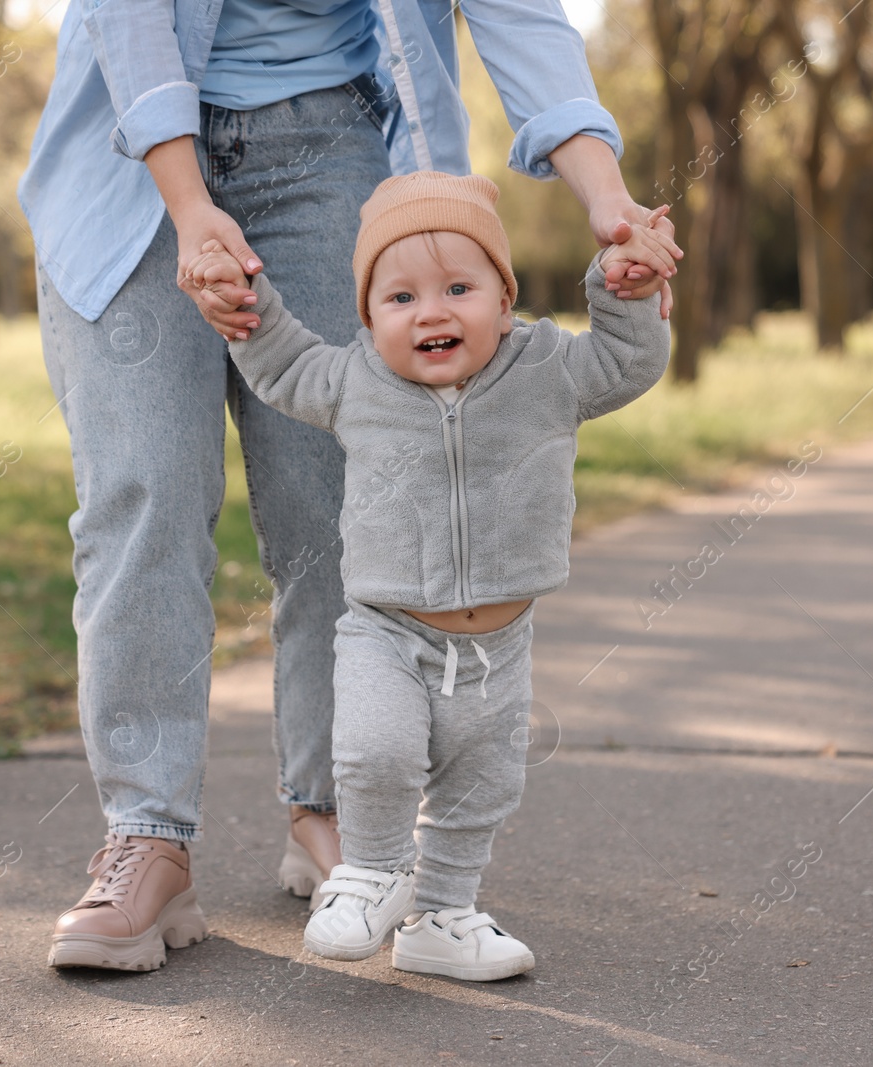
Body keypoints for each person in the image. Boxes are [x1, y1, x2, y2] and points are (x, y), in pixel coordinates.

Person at [22, 0, 681, 974]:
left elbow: (517, 15)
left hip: (336, 144)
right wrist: (188, 199)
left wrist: (607, 195)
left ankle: (336, 815)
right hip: (130, 152)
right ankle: (146, 834)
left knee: (341, 499)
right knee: (141, 495)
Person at [186, 171, 670, 980]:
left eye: (459, 287)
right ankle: (371, 870)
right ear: (370, 318)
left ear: (504, 299)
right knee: (374, 747)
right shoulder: (355, 381)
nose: (433, 311)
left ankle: (443, 917)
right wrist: (246, 308)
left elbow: (628, 359)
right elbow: (280, 363)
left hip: (500, 646)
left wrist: (627, 288)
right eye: (400, 298)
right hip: (386, 628)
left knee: (481, 789)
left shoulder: (546, 370)